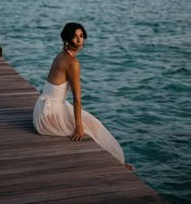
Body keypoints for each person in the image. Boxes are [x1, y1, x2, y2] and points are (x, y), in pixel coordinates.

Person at [33, 22, 133, 170]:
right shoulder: (72, 62)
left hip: (42, 109)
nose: (79, 40)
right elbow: (77, 98)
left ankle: (117, 163)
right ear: (67, 40)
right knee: (94, 128)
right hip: (49, 114)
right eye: (75, 37)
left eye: (81, 36)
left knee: (93, 125)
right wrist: (78, 127)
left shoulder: (61, 54)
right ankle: (118, 164)